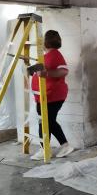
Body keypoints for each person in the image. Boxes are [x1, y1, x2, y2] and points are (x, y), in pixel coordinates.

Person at [31, 29, 74, 160]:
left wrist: (46, 74)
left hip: (52, 96)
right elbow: (43, 71)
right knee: (49, 121)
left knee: (44, 122)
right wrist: (31, 70)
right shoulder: (47, 56)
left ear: (46, 41)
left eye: (43, 39)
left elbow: (63, 71)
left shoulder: (55, 54)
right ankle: (63, 145)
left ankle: (45, 150)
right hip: (45, 95)